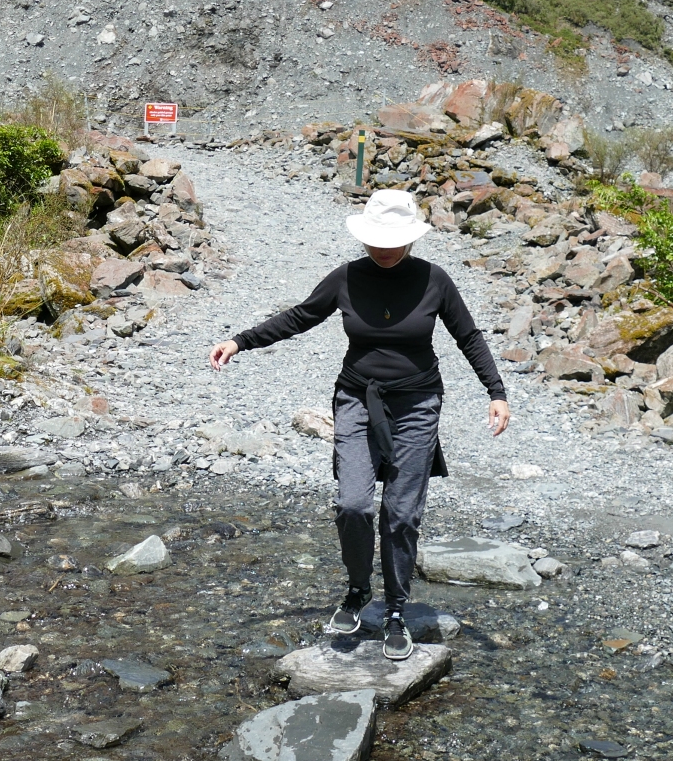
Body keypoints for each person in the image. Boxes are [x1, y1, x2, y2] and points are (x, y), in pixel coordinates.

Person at [210, 189, 510, 660]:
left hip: (417, 403)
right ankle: (356, 589)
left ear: (412, 239)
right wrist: (240, 340)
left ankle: (395, 609)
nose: (384, 249)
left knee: (401, 513)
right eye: (376, 241)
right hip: (355, 399)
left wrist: (496, 393)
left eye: (393, 241)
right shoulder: (347, 278)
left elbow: (468, 336)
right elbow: (302, 315)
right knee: (352, 504)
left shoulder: (436, 281)